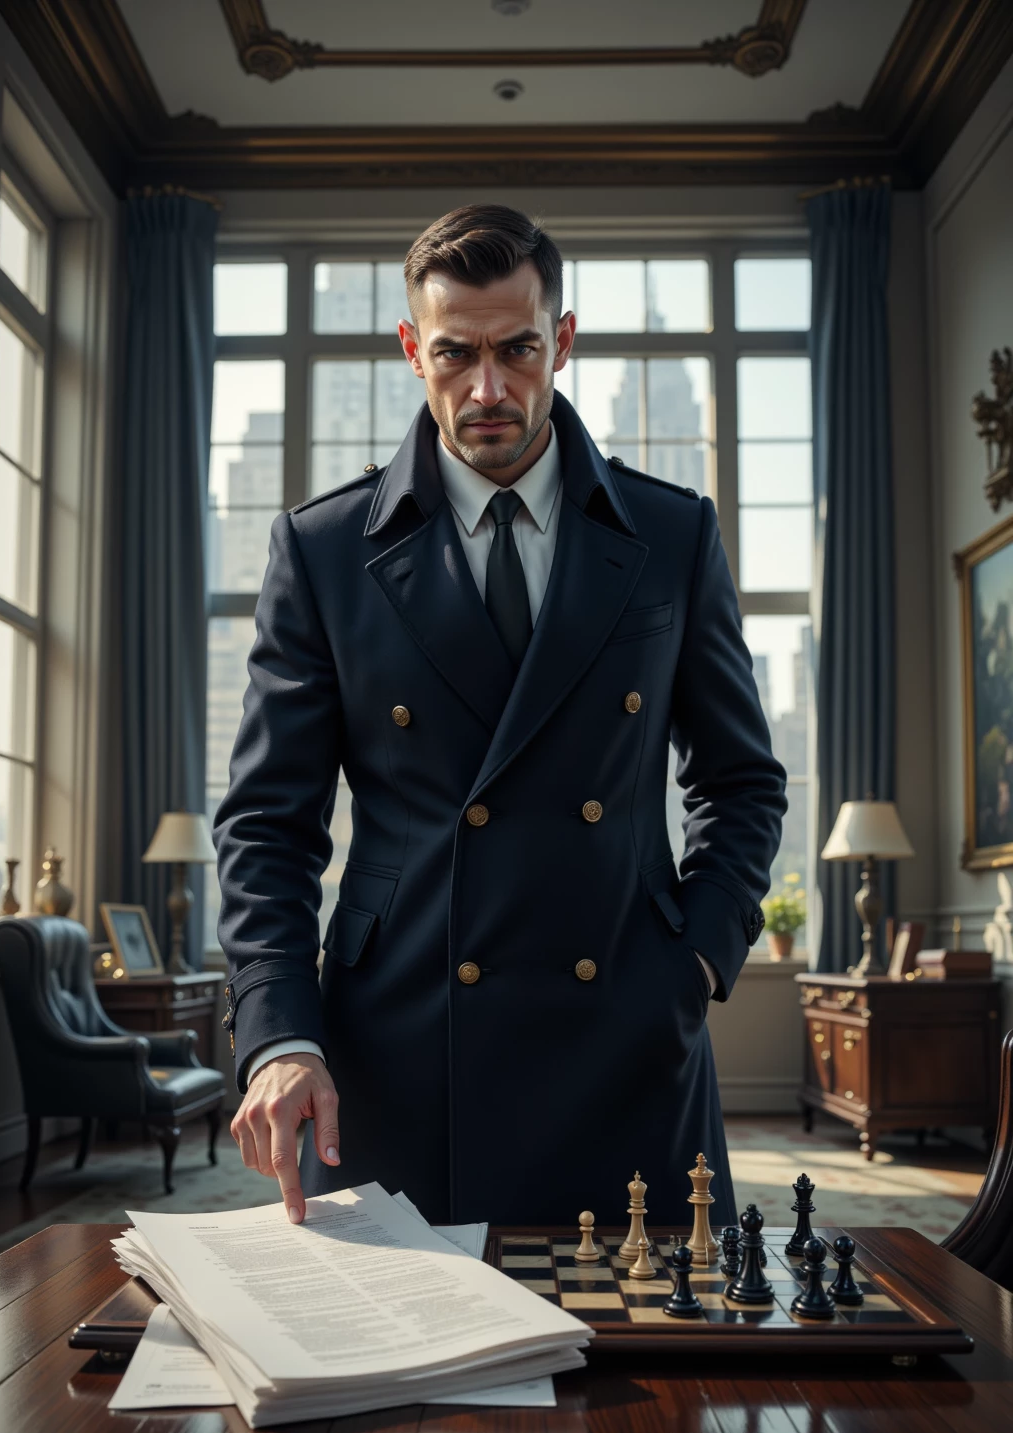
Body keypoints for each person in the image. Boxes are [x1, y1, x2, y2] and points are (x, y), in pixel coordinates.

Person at [214, 204, 787, 1229]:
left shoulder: (671, 533)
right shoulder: (325, 550)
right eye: (456, 354)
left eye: (518, 349)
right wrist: (280, 1035)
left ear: (560, 340)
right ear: (410, 350)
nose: (488, 389)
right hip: (401, 1052)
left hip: (623, 1037)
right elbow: (266, 825)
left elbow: (740, 779)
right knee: (403, 1377)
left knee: (648, 1376)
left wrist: (692, 956)